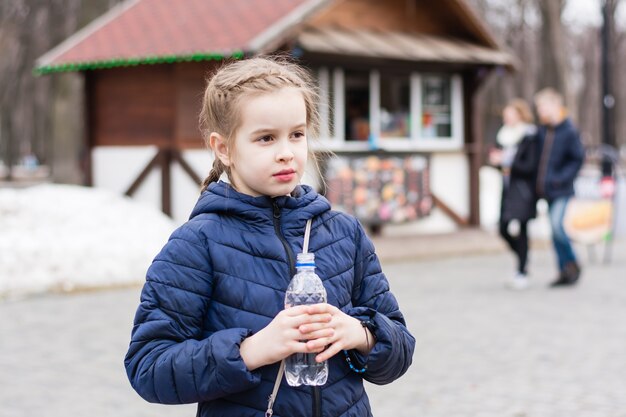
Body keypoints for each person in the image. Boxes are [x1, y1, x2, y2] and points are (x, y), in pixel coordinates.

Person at [124, 56, 415, 417]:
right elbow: (148, 367)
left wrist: (360, 334)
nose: (286, 153)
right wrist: (253, 349)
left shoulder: (344, 233)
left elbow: (401, 350)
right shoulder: (196, 243)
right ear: (224, 148)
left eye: (296, 134)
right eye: (265, 138)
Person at [533, 88, 585, 287]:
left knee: (556, 226)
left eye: (543, 107)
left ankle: (572, 262)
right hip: (547, 190)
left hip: (561, 189)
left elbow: (577, 158)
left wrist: (560, 178)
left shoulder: (568, 130)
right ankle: (564, 270)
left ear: (555, 106)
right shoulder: (543, 131)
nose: (540, 112)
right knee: (554, 232)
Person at [489, 99, 539, 290]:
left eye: (510, 114)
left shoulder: (529, 135)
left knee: (523, 229)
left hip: (524, 190)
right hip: (508, 188)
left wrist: (507, 161)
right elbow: (502, 164)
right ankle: (522, 259)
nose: (506, 118)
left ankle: (522, 270)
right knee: (502, 227)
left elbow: (529, 166)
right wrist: (498, 162)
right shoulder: (504, 136)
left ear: (520, 114)